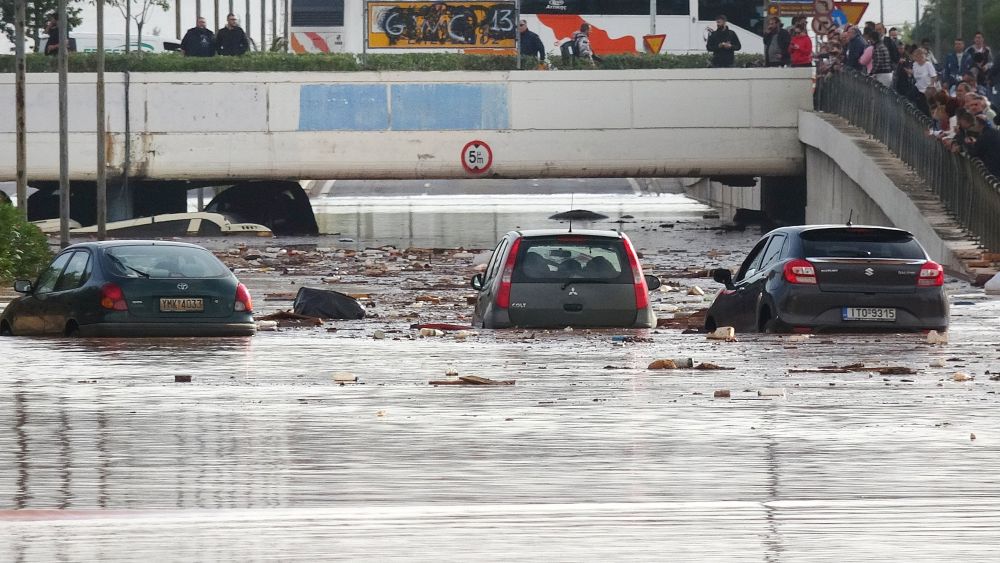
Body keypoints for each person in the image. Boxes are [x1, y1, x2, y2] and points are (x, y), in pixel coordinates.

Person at [956, 110, 1000, 177]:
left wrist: (968, 143)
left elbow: (974, 152)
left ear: (977, 123)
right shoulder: (993, 132)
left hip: (995, 170)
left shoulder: (984, 136)